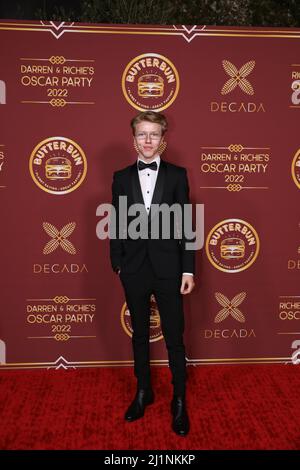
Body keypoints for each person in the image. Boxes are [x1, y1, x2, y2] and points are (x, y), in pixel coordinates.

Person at [110, 111, 195, 436]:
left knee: (174, 337)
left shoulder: (177, 175)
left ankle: (179, 399)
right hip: (133, 269)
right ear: (134, 139)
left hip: (169, 269)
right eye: (142, 134)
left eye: (154, 134)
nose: (147, 140)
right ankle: (143, 391)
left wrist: (188, 267)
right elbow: (117, 222)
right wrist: (117, 261)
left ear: (163, 140)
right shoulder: (120, 177)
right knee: (140, 334)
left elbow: (186, 224)